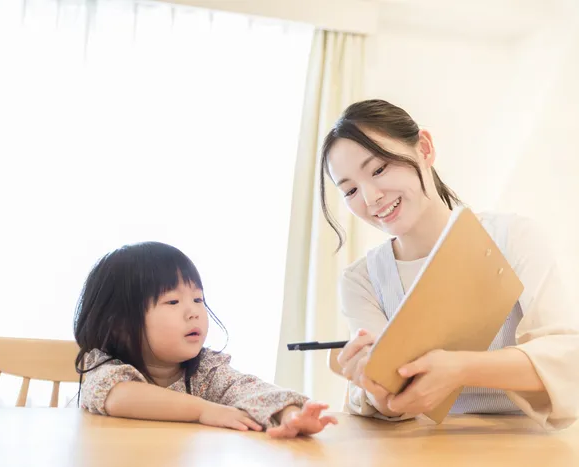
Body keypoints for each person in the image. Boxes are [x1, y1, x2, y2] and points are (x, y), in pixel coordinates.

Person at [320, 99, 579, 430]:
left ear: (425, 149)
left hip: (527, 445)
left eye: (379, 169)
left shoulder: (512, 236)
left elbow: (566, 358)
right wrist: (376, 386)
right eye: (351, 190)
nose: (370, 198)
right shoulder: (361, 281)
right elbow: (394, 404)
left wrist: (461, 368)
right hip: (424, 449)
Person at [73, 241, 337, 438]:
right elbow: (121, 397)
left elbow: (249, 389)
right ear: (118, 324)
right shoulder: (104, 368)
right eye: (173, 301)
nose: (194, 312)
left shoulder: (205, 371)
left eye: (198, 299)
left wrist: (289, 414)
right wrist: (203, 410)